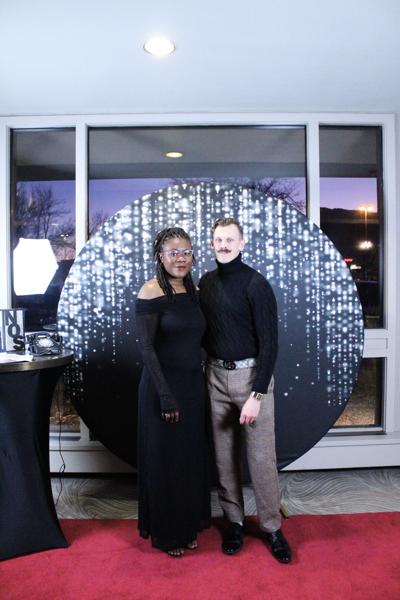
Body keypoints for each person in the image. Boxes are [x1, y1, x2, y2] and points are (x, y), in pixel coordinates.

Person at [199, 217, 292, 564]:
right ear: (212, 244)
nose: (224, 245)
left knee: (261, 459)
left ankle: (271, 527)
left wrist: (257, 395)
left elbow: (270, 345)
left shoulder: (256, 284)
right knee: (224, 459)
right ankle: (235, 522)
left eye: (230, 240)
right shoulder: (206, 283)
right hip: (215, 377)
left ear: (242, 243)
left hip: (251, 378)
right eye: (218, 240)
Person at [135, 227, 210, 557]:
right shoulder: (150, 290)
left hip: (193, 386)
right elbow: (147, 348)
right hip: (162, 388)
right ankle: (168, 534)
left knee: (189, 460)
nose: (181, 258)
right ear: (160, 256)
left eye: (186, 252)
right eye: (173, 253)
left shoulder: (194, 290)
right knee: (166, 462)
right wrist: (165, 395)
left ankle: (188, 526)